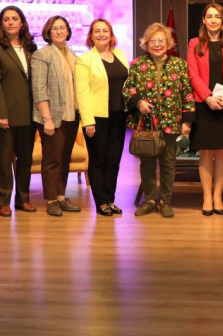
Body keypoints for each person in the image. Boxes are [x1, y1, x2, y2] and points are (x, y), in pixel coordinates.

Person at [126, 23, 195, 219]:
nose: (157, 45)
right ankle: (149, 200)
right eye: (152, 41)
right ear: (146, 44)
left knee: (168, 163)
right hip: (146, 123)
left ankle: (165, 201)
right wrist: (138, 102)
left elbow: (187, 94)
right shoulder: (137, 64)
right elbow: (129, 89)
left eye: (161, 41)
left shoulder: (179, 64)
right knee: (147, 163)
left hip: (171, 122)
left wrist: (187, 121)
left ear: (168, 43)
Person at [188, 4, 223, 215]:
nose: (213, 20)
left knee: (222, 151)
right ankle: (206, 197)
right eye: (209, 16)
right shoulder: (194, 43)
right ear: (203, 20)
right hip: (204, 104)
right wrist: (208, 97)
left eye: (217, 17)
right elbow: (193, 74)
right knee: (205, 151)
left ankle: (218, 196)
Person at [75, 19, 130, 217]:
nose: (101, 34)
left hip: (119, 116)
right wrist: (88, 120)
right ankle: (101, 202)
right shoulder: (84, 60)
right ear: (91, 36)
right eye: (97, 31)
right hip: (96, 118)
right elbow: (82, 92)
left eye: (105, 31)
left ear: (111, 34)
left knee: (113, 160)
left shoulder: (120, 55)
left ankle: (110, 200)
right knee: (98, 160)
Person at [0, 6, 38, 218]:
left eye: (14, 18)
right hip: (5, 115)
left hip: (29, 114)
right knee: (4, 160)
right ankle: (4, 201)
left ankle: (23, 198)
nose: (10, 22)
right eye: (6, 19)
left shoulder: (31, 48)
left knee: (25, 160)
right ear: (1, 24)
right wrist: (1, 114)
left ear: (22, 23)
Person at [32, 16, 81, 217]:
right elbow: (39, 89)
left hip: (71, 115)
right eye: (54, 28)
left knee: (64, 158)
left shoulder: (72, 54)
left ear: (68, 31)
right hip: (52, 117)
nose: (59, 31)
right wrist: (47, 118)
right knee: (52, 160)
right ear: (48, 32)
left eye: (62, 28)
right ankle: (51, 200)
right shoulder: (42, 55)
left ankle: (61, 197)